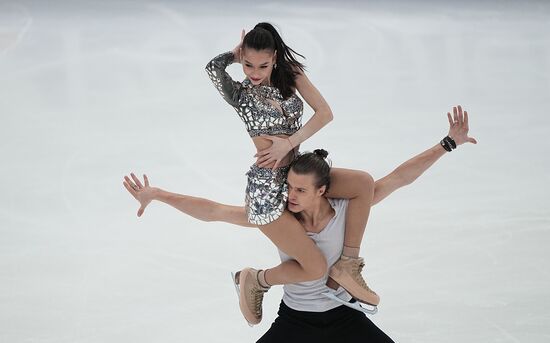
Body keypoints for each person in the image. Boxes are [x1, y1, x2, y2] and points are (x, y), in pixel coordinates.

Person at [123, 106, 477, 341]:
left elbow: (398, 178)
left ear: (322, 191)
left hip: (343, 318)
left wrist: (447, 144)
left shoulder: (345, 208)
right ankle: (256, 280)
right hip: (295, 319)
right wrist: (158, 194)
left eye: (300, 190)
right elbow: (215, 211)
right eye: (289, 186)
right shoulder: (280, 217)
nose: (290, 195)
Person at [203, 22, 378, 324]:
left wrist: (290, 142)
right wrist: (234, 54)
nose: (254, 72)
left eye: (262, 64)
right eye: (247, 64)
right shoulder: (239, 94)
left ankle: (348, 264)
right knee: (313, 266)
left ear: (274, 58)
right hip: (268, 190)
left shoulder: (291, 74)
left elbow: (325, 113)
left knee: (364, 183)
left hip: (298, 175)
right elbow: (212, 68)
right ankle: (256, 279)